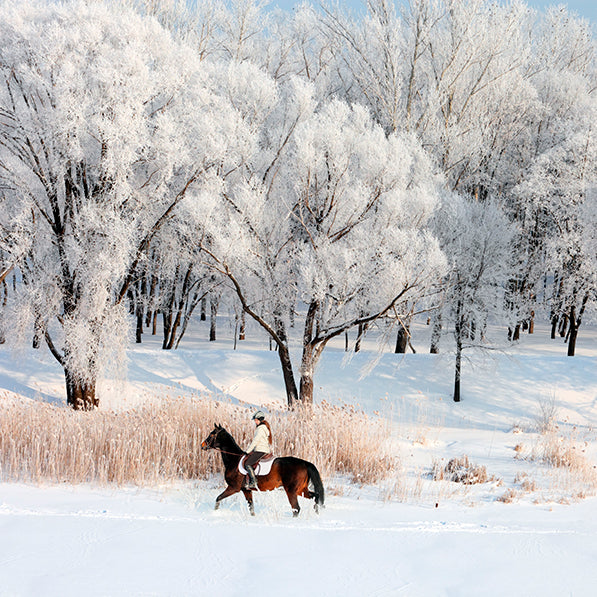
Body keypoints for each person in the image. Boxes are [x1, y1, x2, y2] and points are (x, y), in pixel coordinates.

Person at [244, 410, 272, 490]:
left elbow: (255, 441)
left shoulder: (260, 429)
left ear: (259, 420)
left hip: (260, 450)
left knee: (247, 463)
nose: (255, 422)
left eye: (256, 420)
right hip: (262, 449)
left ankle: (253, 482)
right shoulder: (263, 428)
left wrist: (247, 451)